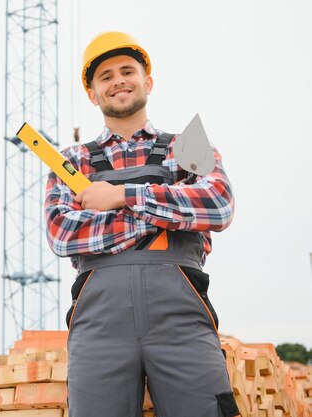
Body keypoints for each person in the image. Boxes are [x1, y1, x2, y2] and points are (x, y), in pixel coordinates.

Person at [44, 32, 240, 417]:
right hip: (99, 326)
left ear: (147, 81)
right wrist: (165, 218)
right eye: (105, 75)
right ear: (92, 93)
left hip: (181, 321)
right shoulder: (71, 160)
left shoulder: (184, 144)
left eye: (127, 70)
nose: (118, 80)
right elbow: (63, 233)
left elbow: (218, 204)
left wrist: (122, 197)